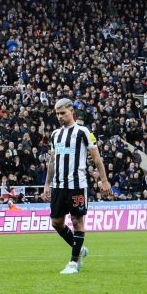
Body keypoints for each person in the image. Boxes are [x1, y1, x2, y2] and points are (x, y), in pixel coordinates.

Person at [42, 98, 112, 275]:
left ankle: (73, 262)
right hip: (58, 185)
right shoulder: (55, 135)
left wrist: (104, 180)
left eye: (63, 113)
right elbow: (52, 160)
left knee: (76, 221)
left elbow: (96, 158)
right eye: (57, 113)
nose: (60, 117)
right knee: (56, 222)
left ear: (72, 112)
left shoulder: (83, 132)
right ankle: (79, 249)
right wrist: (47, 184)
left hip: (77, 185)